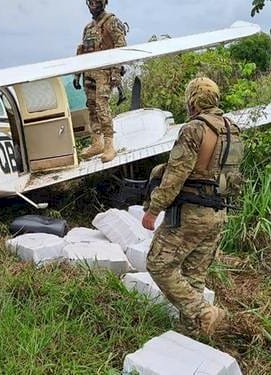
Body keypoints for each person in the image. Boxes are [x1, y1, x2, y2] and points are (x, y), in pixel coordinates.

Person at [141, 77, 244, 336]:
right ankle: (192, 334)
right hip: (218, 212)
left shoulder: (195, 128)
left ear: (192, 101)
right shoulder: (232, 129)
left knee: (158, 264)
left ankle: (203, 312)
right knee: (193, 275)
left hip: (192, 213)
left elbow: (176, 174)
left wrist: (153, 210)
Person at [73, 0, 127, 162]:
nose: (93, 5)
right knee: (92, 108)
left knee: (102, 107)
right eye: (90, 1)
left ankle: (109, 145)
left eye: (96, 1)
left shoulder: (112, 21)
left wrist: (116, 73)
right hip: (89, 74)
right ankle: (97, 143)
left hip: (105, 73)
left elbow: (121, 47)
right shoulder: (88, 28)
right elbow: (82, 51)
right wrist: (77, 74)